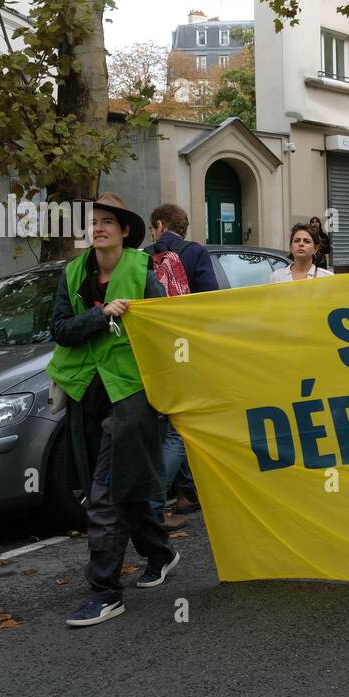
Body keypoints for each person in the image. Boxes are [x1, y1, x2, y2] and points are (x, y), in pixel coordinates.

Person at [47, 193, 180, 627]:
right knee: (124, 486)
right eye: (94, 221)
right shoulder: (70, 274)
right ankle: (161, 552)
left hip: (131, 395)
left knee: (103, 496)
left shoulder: (143, 270)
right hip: (86, 393)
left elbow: (164, 329)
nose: (99, 227)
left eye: (108, 221)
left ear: (125, 231)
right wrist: (100, 316)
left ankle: (105, 592)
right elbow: (61, 331)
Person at [145, 203, 220, 530]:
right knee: (179, 428)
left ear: (159, 225)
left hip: (152, 351)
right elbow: (211, 302)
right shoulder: (195, 253)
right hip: (186, 350)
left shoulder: (141, 256)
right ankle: (156, 504)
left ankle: (187, 493)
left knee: (171, 424)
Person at [270, 223, 336, 281]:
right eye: (296, 240)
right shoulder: (277, 277)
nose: (301, 244)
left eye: (307, 241)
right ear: (291, 247)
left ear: (315, 248)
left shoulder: (327, 277)